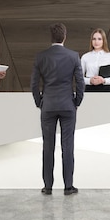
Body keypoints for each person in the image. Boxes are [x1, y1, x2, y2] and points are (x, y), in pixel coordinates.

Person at [30, 23, 84, 196]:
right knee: (68, 147)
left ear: (51, 37)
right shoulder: (73, 56)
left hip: (48, 106)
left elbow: (33, 84)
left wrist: (40, 102)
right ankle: (68, 186)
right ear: (64, 36)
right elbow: (80, 83)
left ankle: (48, 187)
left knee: (48, 146)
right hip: (68, 105)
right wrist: (76, 102)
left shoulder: (41, 57)